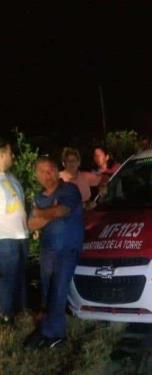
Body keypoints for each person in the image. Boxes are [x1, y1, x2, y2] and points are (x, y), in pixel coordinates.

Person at [25, 158, 84, 348]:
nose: (46, 174)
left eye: (49, 169)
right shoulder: (39, 197)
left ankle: (51, 334)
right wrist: (50, 212)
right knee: (48, 290)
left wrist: (41, 213)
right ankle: (52, 330)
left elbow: (63, 210)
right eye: (41, 171)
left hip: (67, 249)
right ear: (36, 175)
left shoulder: (69, 190)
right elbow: (30, 224)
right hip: (48, 249)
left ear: (57, 170)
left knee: (58, 290)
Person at [0, 137, 29, 325]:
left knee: (20, 276)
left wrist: (27, 227)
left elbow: (20, 204)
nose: (13, 156)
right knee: (7, 278)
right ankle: (6, 316)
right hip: (5, 238)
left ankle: (20, 312)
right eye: (10, 152)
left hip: (21, 236)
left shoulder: (11, 178)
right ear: (1, 154)